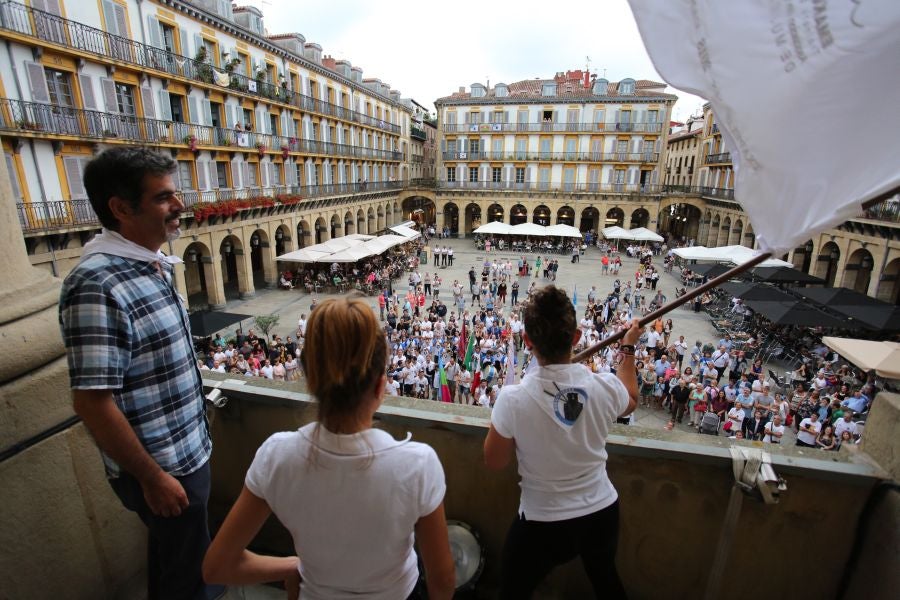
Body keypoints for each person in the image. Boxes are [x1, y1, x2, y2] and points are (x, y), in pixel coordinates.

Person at [203, 297, 455, 598]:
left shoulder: (277, 456)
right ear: (380, 387)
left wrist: (292, 567)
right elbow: (442, 579)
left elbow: (217, 566)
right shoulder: (418, 464)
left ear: (310, 381)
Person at [58, 147, 220, 600]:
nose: (180, 206)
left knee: (174, 560)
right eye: (164, 197)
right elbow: (91, 401)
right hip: (164, 467)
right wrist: (153, 479)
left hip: (186, 453)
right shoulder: (98, 284)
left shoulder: (146, 264)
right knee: (190, 579)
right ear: (121, 208)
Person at [484, 286, 639, 598]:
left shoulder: (513, 399)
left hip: (543, 521)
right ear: (577, 337)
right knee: (606, 581)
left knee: (511, 592)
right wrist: (628, 349)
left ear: (527, 341)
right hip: (601, 511)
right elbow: (631, 398)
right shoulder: (603, 386)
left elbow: (495, 461)